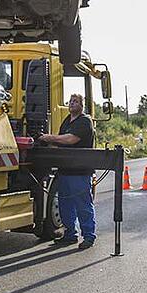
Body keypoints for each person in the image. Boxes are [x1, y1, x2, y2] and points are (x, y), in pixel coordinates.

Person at [39, 93, 97, 250]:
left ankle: (89, 236)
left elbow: (69, 139)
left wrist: (49, 138)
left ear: (81, 105)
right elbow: (61, 140)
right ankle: (70, 234)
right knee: (65, 205)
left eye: (76, 101)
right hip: (64, 171)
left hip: (79, 172)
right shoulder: (67, 121)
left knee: (83, 205)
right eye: (71, 101)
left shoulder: (85, 121)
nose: (72, 104)